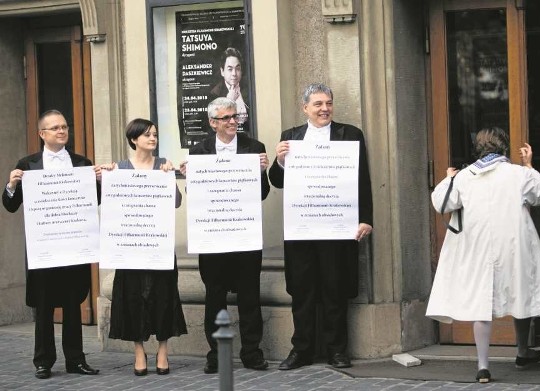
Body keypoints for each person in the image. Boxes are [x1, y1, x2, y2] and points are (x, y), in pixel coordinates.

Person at [426, 127, 540, 383]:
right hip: (513, 244)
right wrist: (529, 166)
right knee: (521, 292)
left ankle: (483, 366)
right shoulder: (517, 174)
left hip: (476, 245)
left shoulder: (464, 177)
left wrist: (448, 178)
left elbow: (441, 203)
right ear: (504, 147)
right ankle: (522, 351)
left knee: (480, 302)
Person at [268, 83, 373, 370]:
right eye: (318, 104)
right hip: (302, 229)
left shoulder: (350, 134)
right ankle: (301, 350)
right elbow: (276, 182)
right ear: (305, 108)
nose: (324, 108)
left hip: (337, 228)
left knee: (334, 290)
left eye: (328, 103)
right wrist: (279, 161)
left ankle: (337, 350)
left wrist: (366, 218)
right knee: (302, 292)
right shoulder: (290, 137)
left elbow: (362, 177)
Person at [2, 110, 100, 379]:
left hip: (72, 247)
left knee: (72, 306)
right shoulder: (28, 164)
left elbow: (94, 201)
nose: (61, 131)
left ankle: (76, 360)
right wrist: (11, 185)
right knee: (44, 307)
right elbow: (11, 206)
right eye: (55, 127)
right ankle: (43, 362)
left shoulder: (82, 163)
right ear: (42, 134)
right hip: (44, 248)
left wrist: (99, 182)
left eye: (64, 126)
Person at [179, 97, 270, 373]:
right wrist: (189, 179)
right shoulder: (199, 152)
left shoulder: (254, 148)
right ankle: (216, 354)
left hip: (244, 234)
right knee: (214, 296)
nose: (233, 122)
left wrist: (260, 172)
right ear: (213, 123)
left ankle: (252, 353)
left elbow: (263, 193)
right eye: (227, 118)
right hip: (213, 237)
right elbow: (197, 196)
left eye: (236, 117)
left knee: (249, 297)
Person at [105, 118, 187, 376]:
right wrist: (105, 179)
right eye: (147, 135)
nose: (152, 138)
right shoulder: (119, 168)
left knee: (164, 296)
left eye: (154, 134)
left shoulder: (163, 165)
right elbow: (112, 206)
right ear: (133, 139)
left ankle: (163, 350)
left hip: (158, 244)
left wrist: (169, 178)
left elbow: (175, 202)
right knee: (132, 298)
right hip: (131, 245)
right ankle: (139, 351)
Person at [211, 47, 248, 127]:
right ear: (222, 71)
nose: (234, 73)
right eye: (230, 69)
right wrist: (229, 101)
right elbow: (215, 125)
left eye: (237, 69)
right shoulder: (215, 93)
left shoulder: (249, 90)